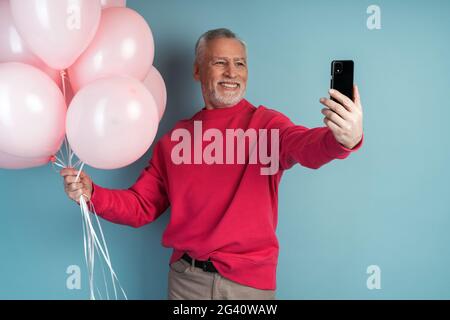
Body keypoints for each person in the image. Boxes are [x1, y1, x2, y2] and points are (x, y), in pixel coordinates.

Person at [61, 28, 364, 300]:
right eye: (220, 62)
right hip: (185, 283)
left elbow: (306, 146)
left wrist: (341, 138)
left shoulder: (266, 126)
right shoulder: (175, 140)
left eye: (240, 63)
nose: (231, 72)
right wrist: (93, 194)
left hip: (248, 288)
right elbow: (142, 205)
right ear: (197, 70)